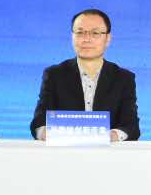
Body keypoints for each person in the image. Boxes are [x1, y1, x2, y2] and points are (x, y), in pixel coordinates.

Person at [29, 8, 139, 141]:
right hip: (64, 150)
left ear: (108, 38)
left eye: (95, 33)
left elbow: (131, 126)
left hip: (108, 151)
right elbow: (39, 122)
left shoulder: (123, 78)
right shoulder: (54, 75)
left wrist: (109, 137)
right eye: (80, 32)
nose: (86, 39)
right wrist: (46, 133)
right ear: (72, 36)